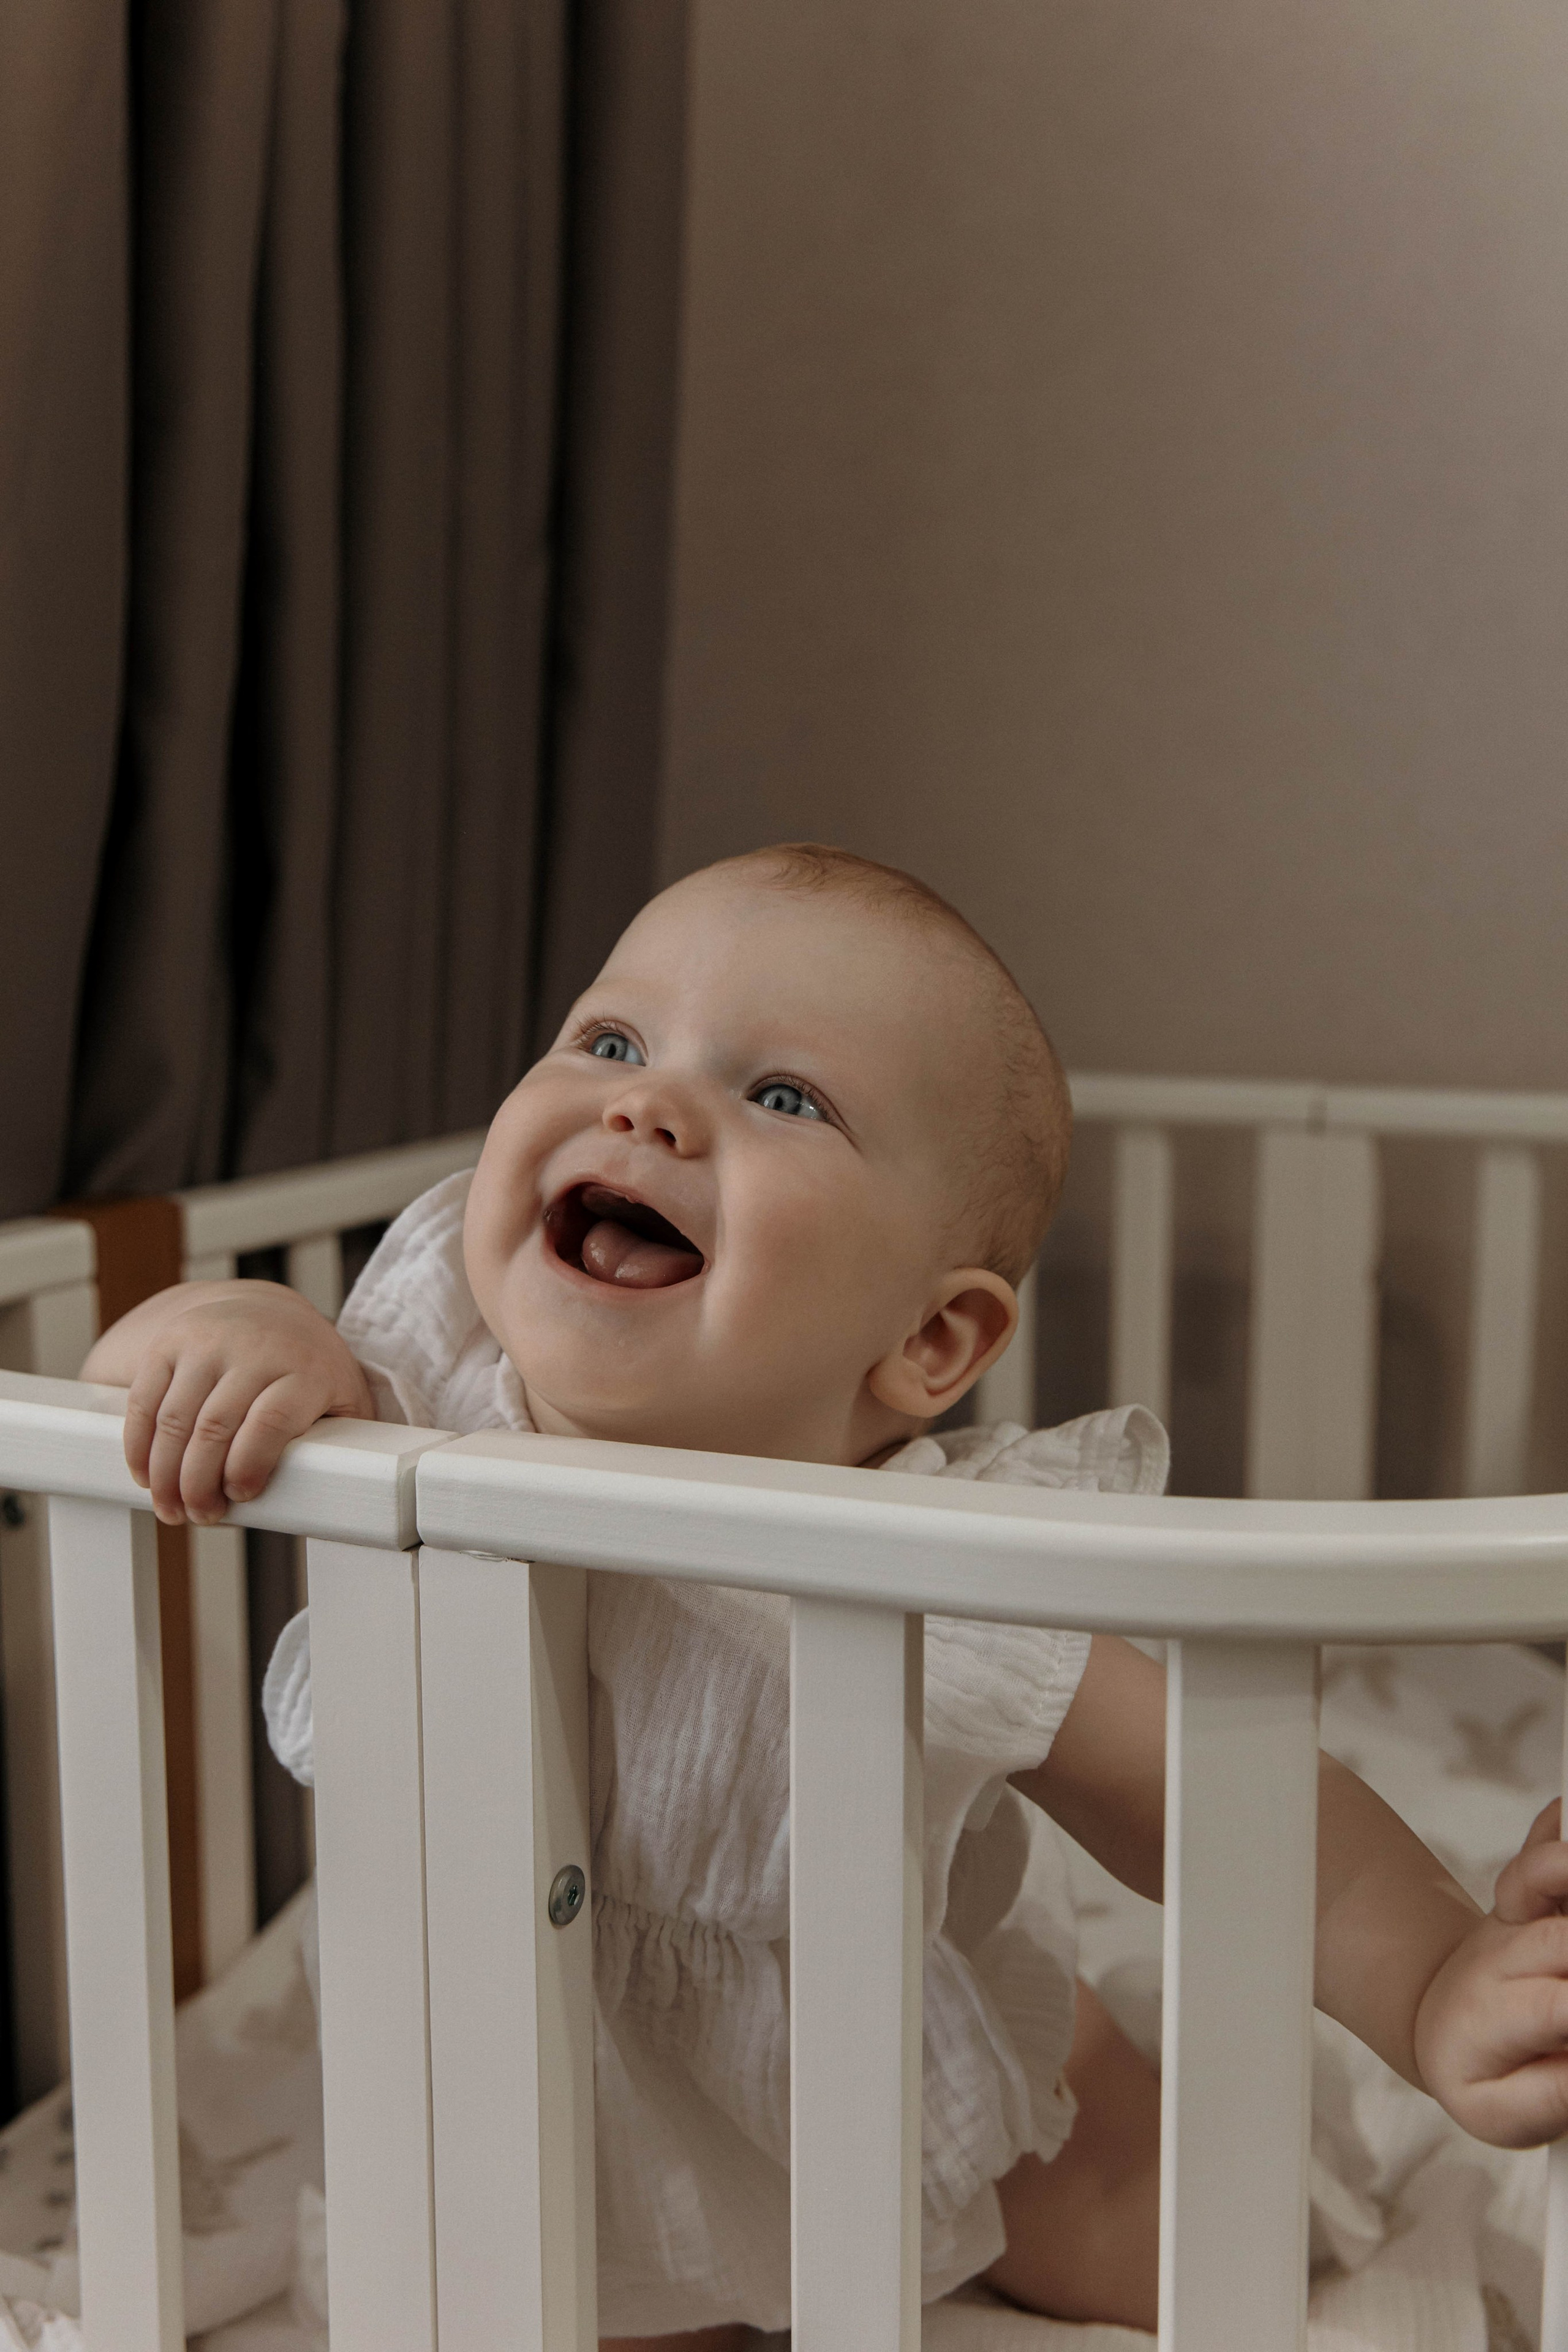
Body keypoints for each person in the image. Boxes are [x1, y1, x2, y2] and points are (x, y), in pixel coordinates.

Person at [83, 844, 1568, 2343]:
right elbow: (125, 1400)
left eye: (782, 1098)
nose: (645, 1103)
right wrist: (231, 1320)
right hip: (515, 2068)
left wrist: (1439, 1980)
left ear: (930, 1343)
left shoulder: (925, 1565)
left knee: (1193, 2244)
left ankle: (1103, 2084)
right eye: (609, 1040)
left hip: (854, 2053)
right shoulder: (414, 1383)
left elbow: (1213, 1789)